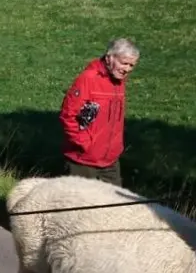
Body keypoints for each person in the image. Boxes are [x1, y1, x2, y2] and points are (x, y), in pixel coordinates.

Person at [58, 37, 139, 186]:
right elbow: (68, 115)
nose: (127, 69)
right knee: (80, 200)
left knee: (114, 199)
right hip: (83, 161)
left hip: (110, 160)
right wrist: (84, 143)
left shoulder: (119, 81)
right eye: (124, 63)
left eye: (131, 65)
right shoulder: (88, 79)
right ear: (109, 58)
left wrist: (116, 147)